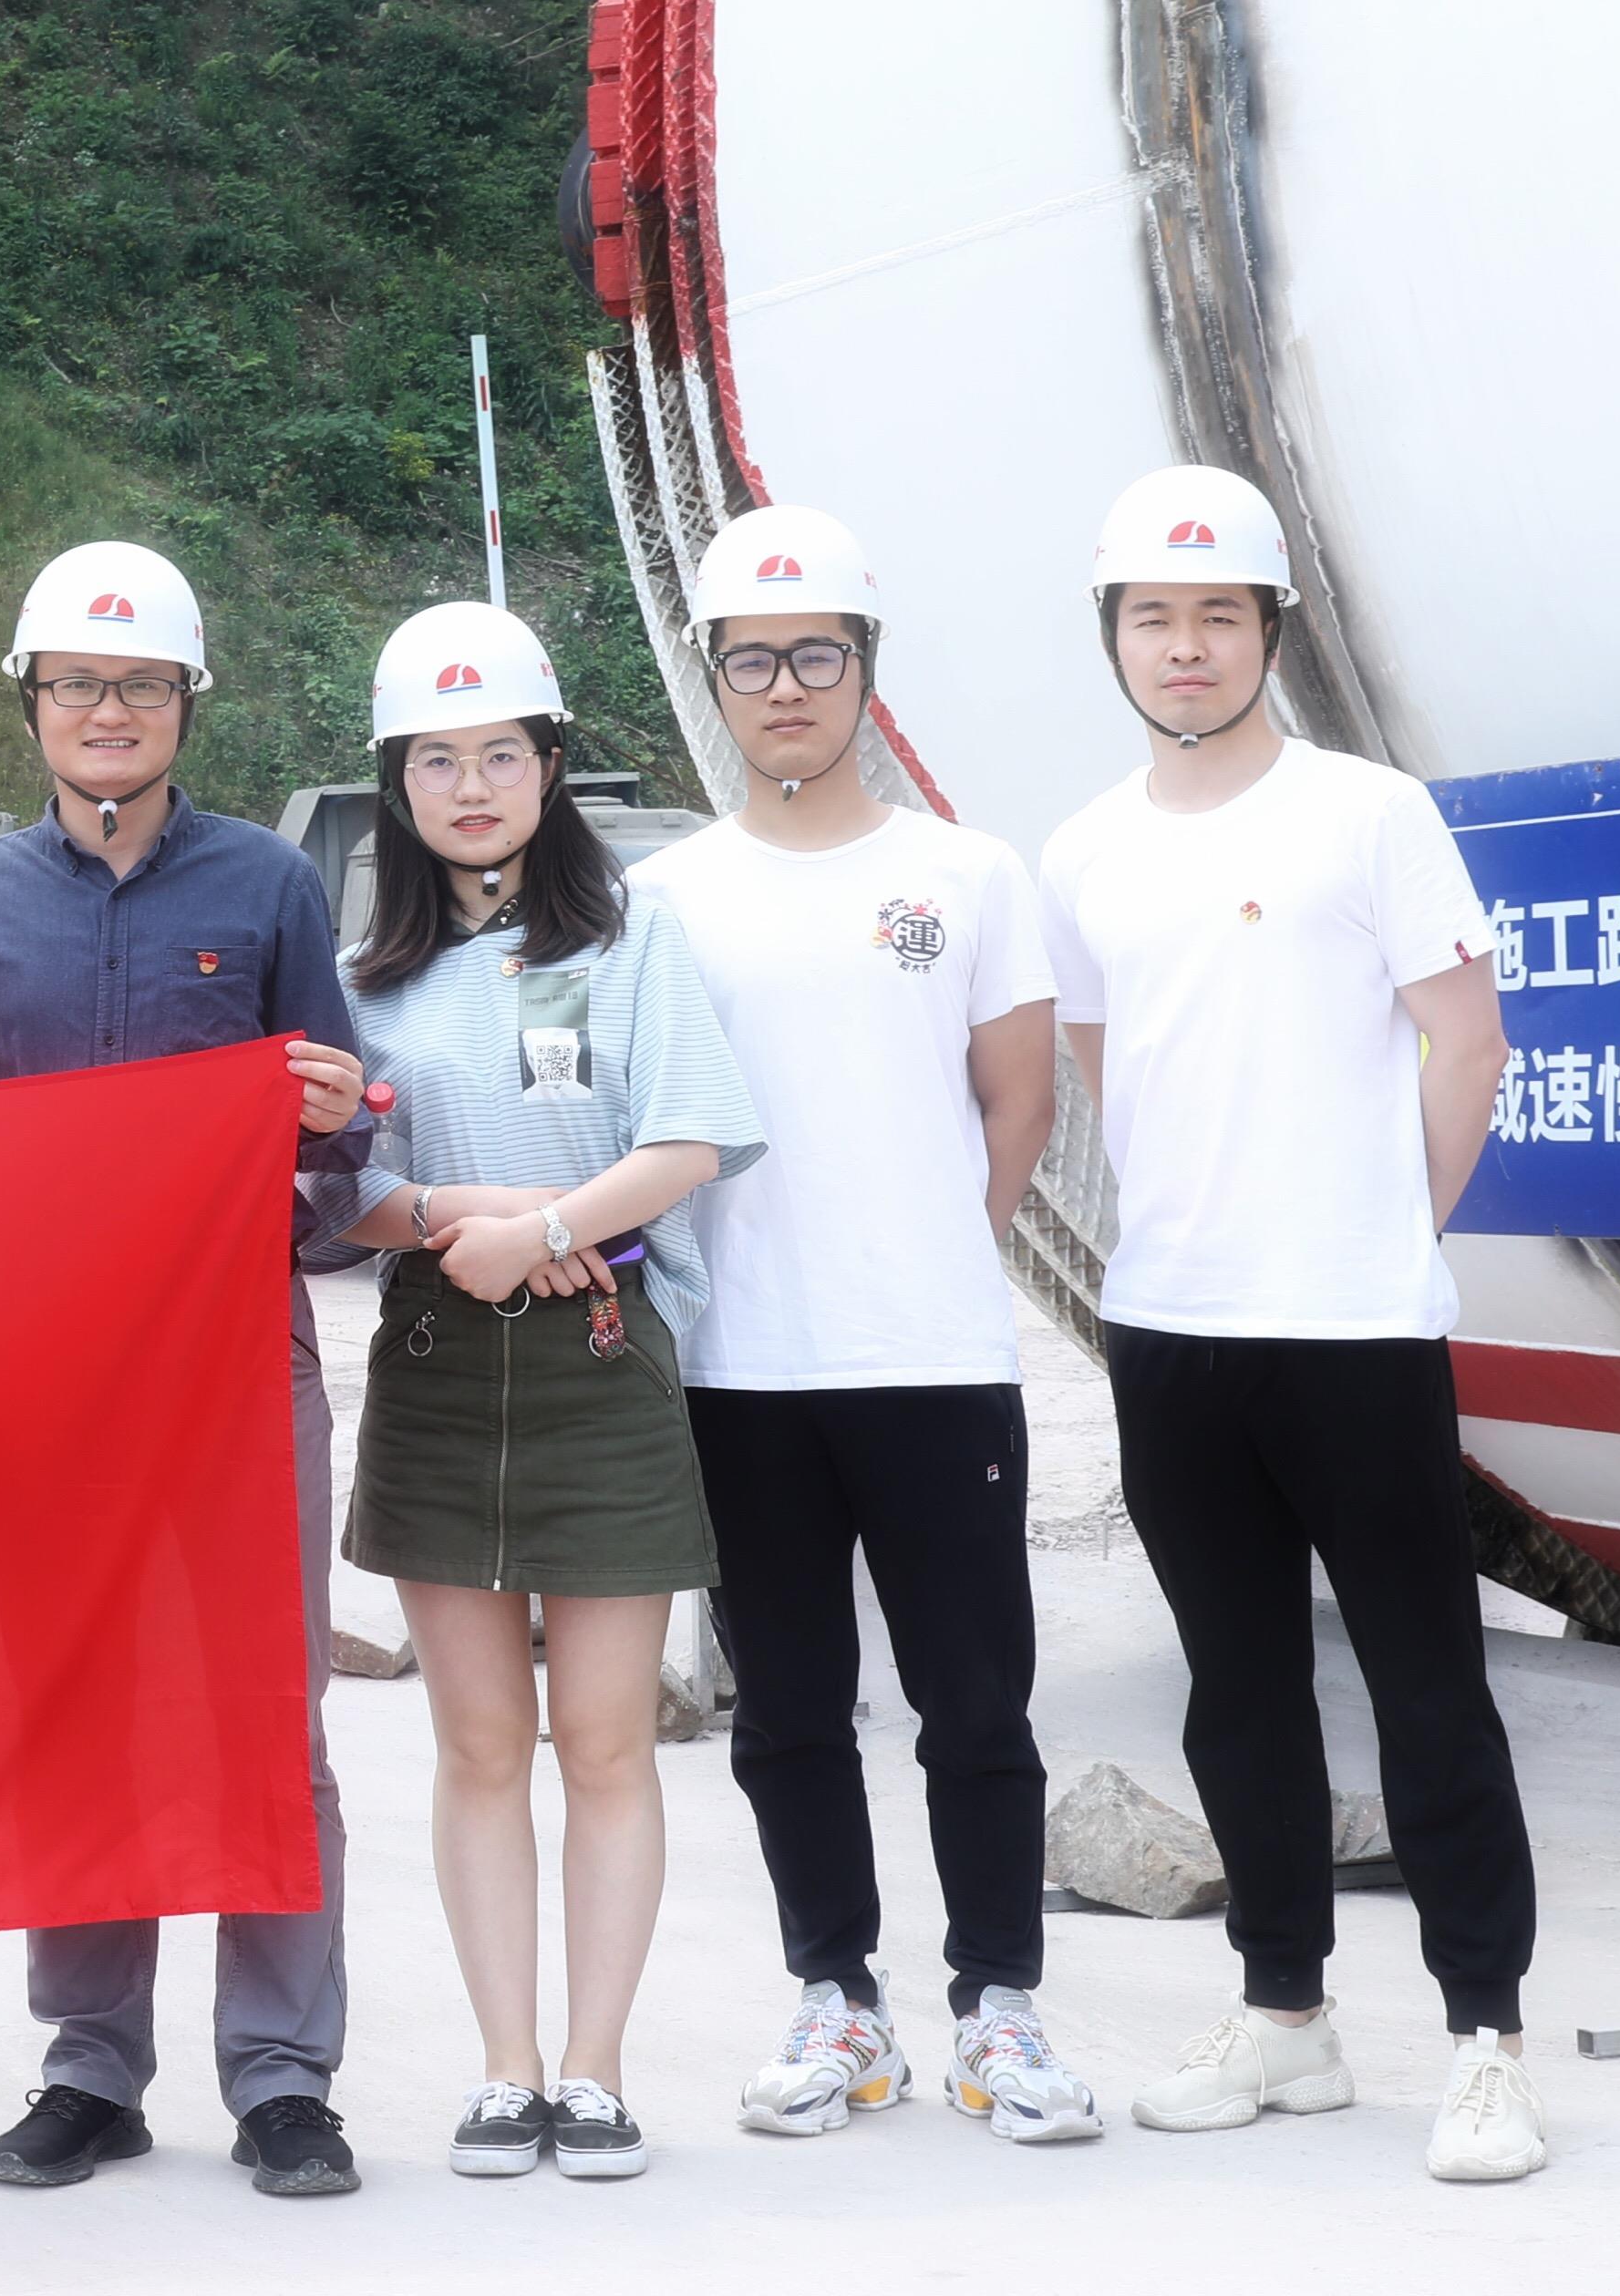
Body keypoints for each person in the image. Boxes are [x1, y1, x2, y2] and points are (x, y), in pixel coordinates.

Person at [1040, 466, 1545, 2185]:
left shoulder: (1367, 813)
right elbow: (1110, 1066)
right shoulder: (1085, 849)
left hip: (1357, 1330)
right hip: (1170, 1327)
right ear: (1113, 637)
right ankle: (1285, 2017)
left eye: (1217, 615)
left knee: (1429, 1688)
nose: (1184, 647)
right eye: (1152, 618)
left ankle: (1485, 2042)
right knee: (1237, 1691)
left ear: (1270, 629)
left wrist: (1386, 1229)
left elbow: (1468, 1042)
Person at [0, 540, 373, 2202]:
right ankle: (91, 2069)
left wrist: (335, 1122)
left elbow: (335, 1135)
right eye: (80, 684)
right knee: (77, 1706)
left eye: (143, 685)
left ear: (188, 703)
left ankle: (284, 2078)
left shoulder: (268, 888)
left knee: (269, 1716)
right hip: (45, 1386)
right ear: (31, 702)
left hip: (238, 1365)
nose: (110, 710)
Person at [621, 510, 1097, 2148]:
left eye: (817, 653)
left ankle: (1000, 2008)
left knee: (978, 1705)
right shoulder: (663, 896)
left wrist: (929, 1254)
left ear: (866, 669)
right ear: (715, 678)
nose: (786, 686)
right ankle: (838, 2001)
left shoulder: (967, 875)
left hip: (935, 1365)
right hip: (739, 1369)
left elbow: (1018, 1104)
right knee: (788, 1710)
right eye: (753, 659)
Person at [329, 599, 763, 2189]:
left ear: (551, 764)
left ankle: (596, 2075)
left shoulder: (633, 936)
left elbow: (692, 1139)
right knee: (477, 1743)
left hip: (600, 1349)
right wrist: (462, 1219)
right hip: (439, 1362)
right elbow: (338, 1187)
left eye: (499, 754)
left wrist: (551, 1230)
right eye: (436, 761)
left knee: (602, 1741)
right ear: (397, 782)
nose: (470, 787)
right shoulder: (364, 974)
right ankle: (505, 2070)